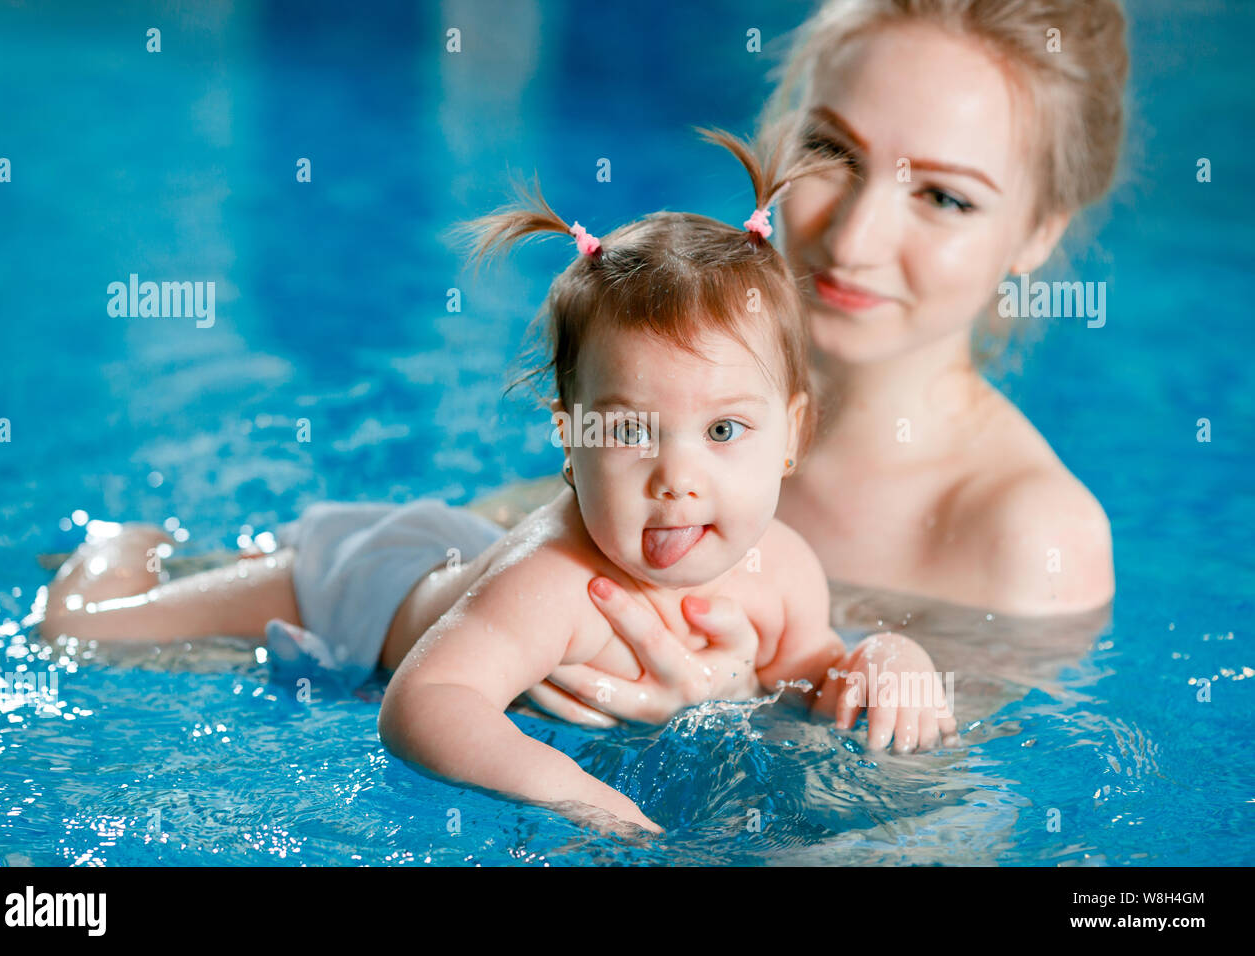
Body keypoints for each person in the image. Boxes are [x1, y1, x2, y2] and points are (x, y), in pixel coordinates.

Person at [472, 0, 1128, 728]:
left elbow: (920, 817)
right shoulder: (658, 406)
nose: (855, 239)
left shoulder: (1030, 539)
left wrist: (736, 713)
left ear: (1038, 232)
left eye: (945, 196)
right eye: (833, 153)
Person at [379, 129, 955, 832]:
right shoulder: (550, 583)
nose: (677, 480)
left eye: (722, 431)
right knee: (207, 614)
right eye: (628, 432)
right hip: (367, 590)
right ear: (570, 438)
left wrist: (888, 656)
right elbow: (426, 697)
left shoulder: (782, 569)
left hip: (464, 553)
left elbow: (812, 680)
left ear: (792, 436)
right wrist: (579, 795)